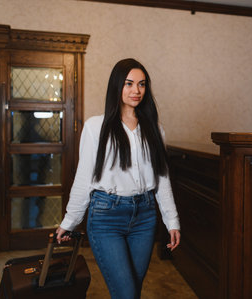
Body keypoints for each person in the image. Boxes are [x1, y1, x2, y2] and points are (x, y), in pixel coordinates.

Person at [56, 58, 181, 299]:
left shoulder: (155, 128)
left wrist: (172, 220)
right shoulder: (96, 127)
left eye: (142, 84)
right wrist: (70, 221)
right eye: (129, 83)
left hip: (145, 217)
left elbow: (162, 179)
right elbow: (84, 178)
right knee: (125, 293)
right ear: (117, 86)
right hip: (106, 217)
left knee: (133, 291)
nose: (136, 90)